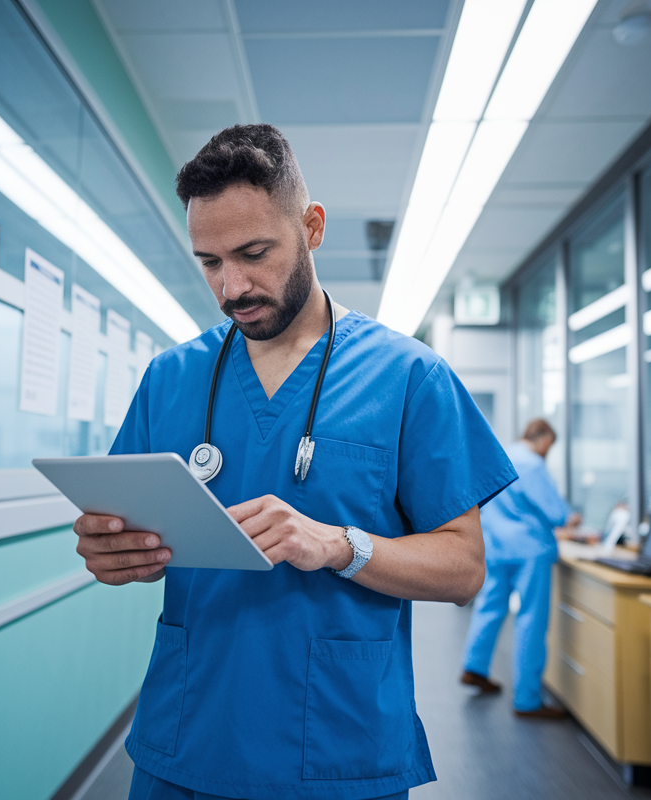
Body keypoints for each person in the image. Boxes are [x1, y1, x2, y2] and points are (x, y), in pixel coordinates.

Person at [71, 124, 516, 800]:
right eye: (210, 262)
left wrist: (339, 544)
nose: (232, 286)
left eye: (254, 253)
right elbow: (120, 532)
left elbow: (464, 570)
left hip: (337, 751)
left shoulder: (409, 379)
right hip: (187, 743)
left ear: (311, 227)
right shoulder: (170, 379)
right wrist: (109, 556)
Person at [459, 418, 579, 718]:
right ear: (543, 440)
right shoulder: (533, 464)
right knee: (530, 619)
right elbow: (554, 512)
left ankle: (474, 667)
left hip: (495, 546)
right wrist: (571, 518)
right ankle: (527, 699)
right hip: (529, 550)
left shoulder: (501, 454)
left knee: (489, 607)